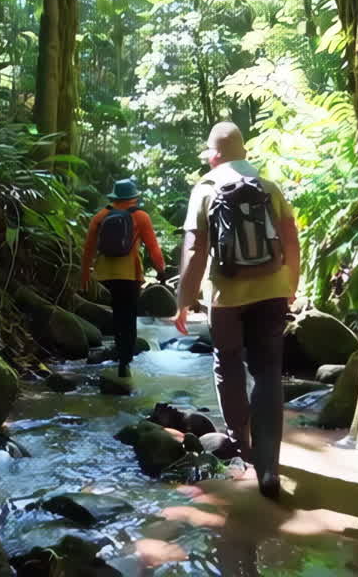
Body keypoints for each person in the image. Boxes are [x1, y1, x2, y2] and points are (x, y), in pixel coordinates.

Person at [174, 122, 300, 500]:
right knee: (267, 372)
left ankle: (240, 445)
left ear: (214, 156)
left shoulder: (205, 189)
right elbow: (291, 241)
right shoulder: (269, 188)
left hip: (225, 297)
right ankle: (269, 467)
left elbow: (195, 250)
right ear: (243, 152)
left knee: (227, 362)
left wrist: (183, 300)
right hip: (272, 290)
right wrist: (290, 285)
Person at [80, 178, 166, 378]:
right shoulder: (141, 217)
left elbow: (89, 248)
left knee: (116, 315)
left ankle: (118, 353)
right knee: (128, 317)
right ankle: (125, 362)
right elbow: (153, 248)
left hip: (104, 275)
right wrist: (161, 270)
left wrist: (84, 274)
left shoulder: (100, 216)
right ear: (134, 198)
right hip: (129, 275)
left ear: (114, 197)